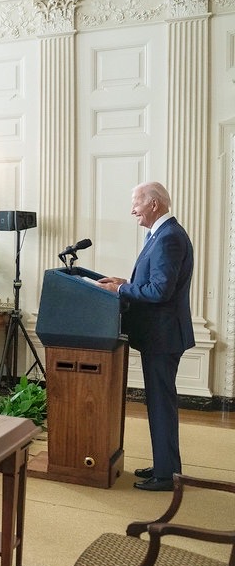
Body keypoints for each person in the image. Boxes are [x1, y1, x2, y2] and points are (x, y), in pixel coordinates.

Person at [96, 181, 194, 492]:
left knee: (161, 405)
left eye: (136, 203)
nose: (132, 210)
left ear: (154, 204)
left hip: (163, 337)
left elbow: (160, 291)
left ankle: (166, 476)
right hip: (161, 335)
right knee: (159, 403)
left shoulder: (168, 237)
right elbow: (155, 282)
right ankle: (165, 466)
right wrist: (124, 281)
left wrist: (121, 289)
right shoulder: (162, 234)